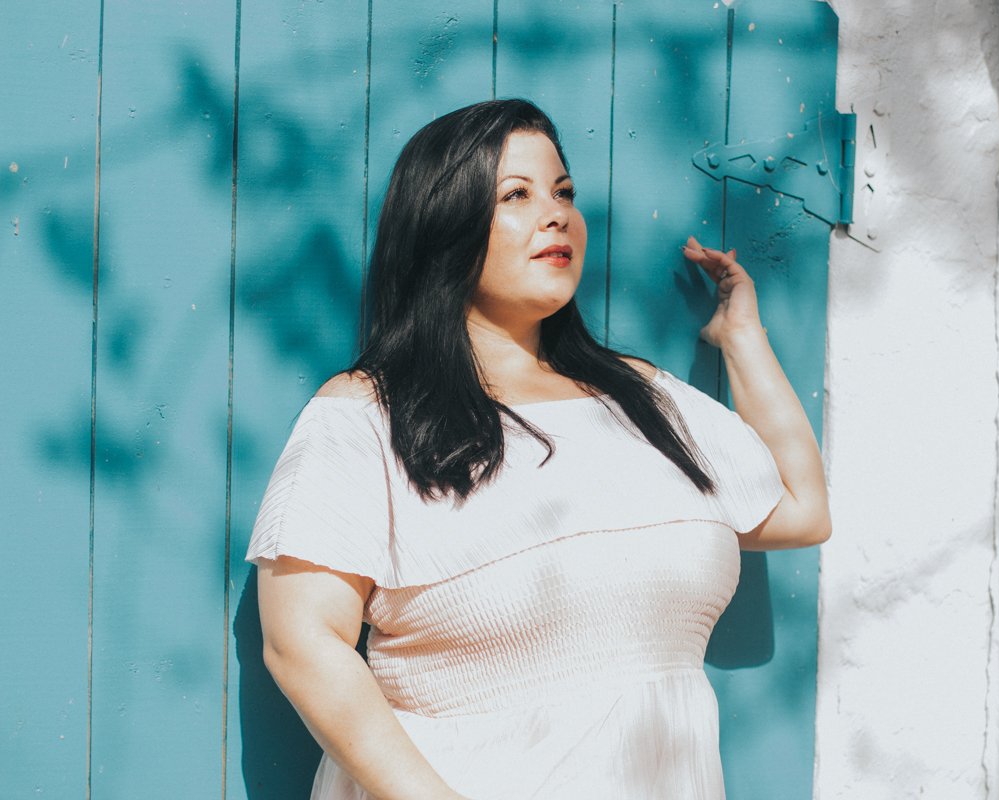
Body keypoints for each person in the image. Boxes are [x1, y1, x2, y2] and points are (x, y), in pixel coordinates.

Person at [247, 98, 831, 800]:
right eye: (516, 196)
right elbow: (302, 644)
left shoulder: (640, 396)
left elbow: (801, 512)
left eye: (564, 192)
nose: (555, 214)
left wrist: (743, 340)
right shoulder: (365, 415)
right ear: (444, 225)